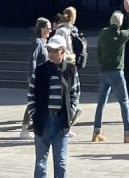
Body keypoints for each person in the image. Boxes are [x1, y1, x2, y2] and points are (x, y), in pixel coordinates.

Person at [91, 0, 129, 143]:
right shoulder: (121, 35)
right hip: (117, 72)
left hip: (104, 71)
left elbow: (98, 51)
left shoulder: (103, 32)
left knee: (101, 103)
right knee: (124, 102)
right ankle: (127, 133)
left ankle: (96, 132)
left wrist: (101, 63)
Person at [32, 30, 80, 178]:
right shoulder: (40, 70)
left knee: (61, 162)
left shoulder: (71, 70)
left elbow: (75, 92)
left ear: (63, 52)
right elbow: (31, 94)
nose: (51, 54)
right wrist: (33, 113)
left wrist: (71, 112)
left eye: (55, 51)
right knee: (40, 163)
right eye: (49, 50)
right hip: (43, 120)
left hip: (61, 120)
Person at [21, 17, 51, 137]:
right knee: (33, 102)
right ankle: (24, 128)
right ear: (41, 28)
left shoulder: (44, 42)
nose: (50, 30)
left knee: (39, 102)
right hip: (36, 77)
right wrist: (32, 76)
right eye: (47, 28)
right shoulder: (37, 42)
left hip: (43, 77)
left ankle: (35, 125)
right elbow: (32, 59)